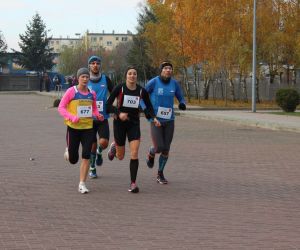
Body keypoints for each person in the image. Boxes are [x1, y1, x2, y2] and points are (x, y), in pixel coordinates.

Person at [106, 66, 160, 193]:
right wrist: (118, 113)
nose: (132, 76)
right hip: (119, 123)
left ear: (137, 76)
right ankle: (115, 147)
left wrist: (154, 117)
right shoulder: (120, 88)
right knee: (120, 156)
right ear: (126, 76)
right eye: (129, 73)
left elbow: (149, 107)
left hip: (134, 124)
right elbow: (108, 105)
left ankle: (133, 183)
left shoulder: (142, 91)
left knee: (134, 153)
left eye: (134, 74)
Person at [58, 68, 104, 194]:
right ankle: (69, 152)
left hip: (88, 128)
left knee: (86, 155)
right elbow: (61, 108)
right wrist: (72, 117)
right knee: (73, 159)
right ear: (78, 78)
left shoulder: (92, 93)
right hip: (73, 129)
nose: (85, 79)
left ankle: (82, 183)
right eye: (82, 77)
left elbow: (93, 108)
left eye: (86, 77)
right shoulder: (71, 92)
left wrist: (98, 115)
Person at [145, 61, 186, 184]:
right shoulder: (154, 82)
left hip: (169, 120)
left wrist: (182, 103)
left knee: (166, 149)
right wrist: (146, 110)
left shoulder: (174, 84)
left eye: (170, 68)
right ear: (161, 70)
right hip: (156, 119)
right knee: (159, 147)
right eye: (166, 68)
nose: (168, 70)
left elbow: (180, 96)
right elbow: (142, 96)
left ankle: (160, 173)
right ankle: (151, 152)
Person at [87, 56, 114, 179]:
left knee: (104, 142)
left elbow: (115, 93)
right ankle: (92, 168)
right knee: (91, 144)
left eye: (97, 63)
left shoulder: (106, 79)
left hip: (103, 118)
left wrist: (114, 109)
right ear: (89, 66)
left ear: (100, 65)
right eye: (92, 63)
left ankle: (99, 152)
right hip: (89, 119)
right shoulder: (85, 79)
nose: (95, 65)